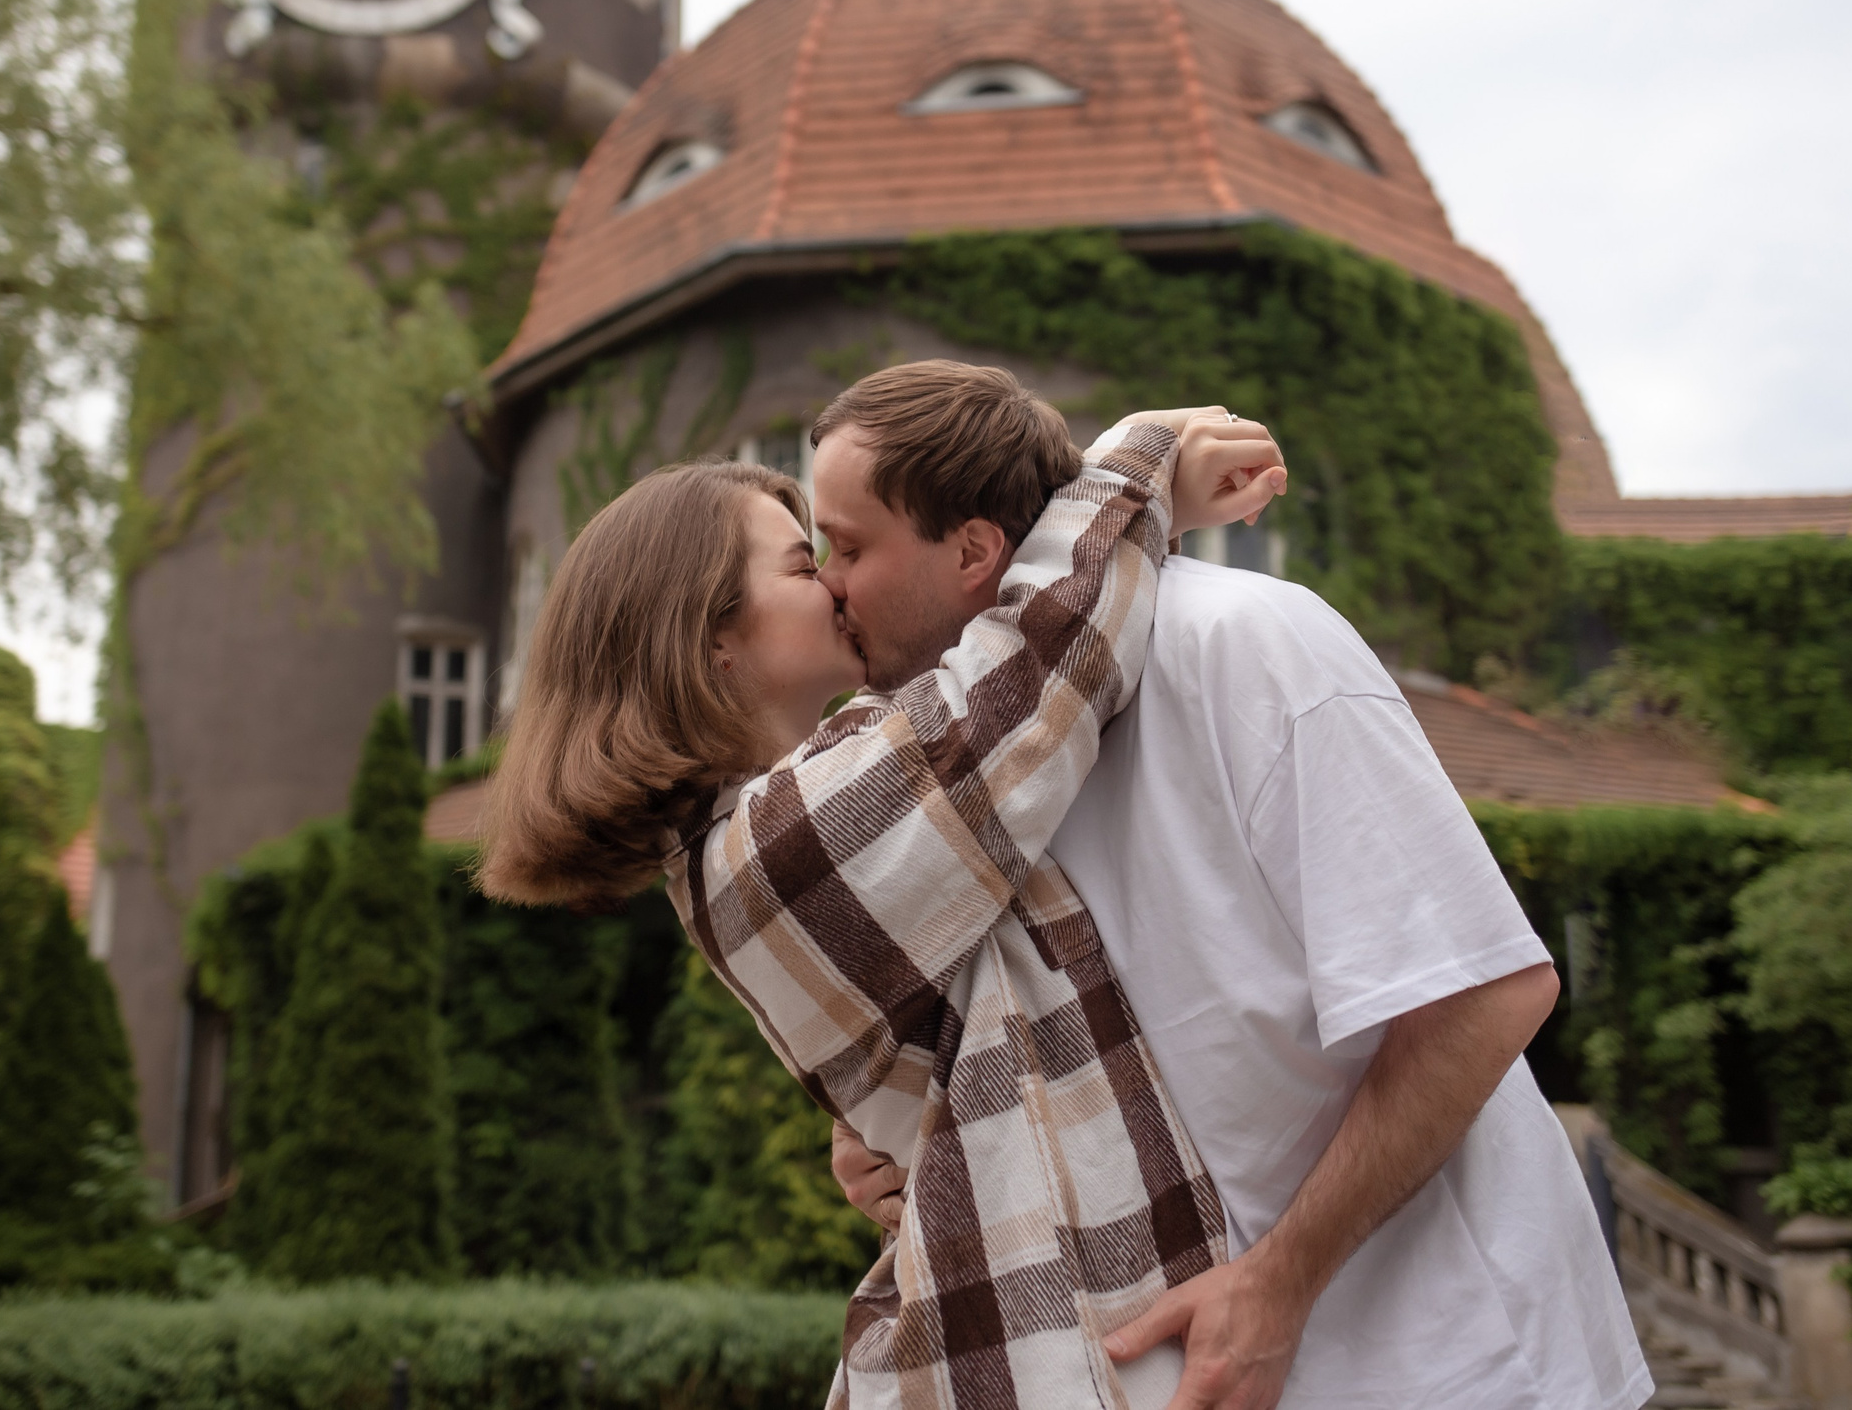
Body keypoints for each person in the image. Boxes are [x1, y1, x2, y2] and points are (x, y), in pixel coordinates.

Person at [814, 362, 1651, 1410]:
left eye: (847, 547)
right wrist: (891, 1148)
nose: (826, 586)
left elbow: (1483, 996)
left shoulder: (1248, 644)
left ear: (975, 551)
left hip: (1447, 1362)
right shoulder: (944, 765)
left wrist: (1276, 1287)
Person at [482, 401, 1290, 1410]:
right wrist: (1138, 457)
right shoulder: (772, 847)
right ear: (712, 644)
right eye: (798, 563)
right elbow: (1032, 666)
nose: (830, 579)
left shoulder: (783, 813)